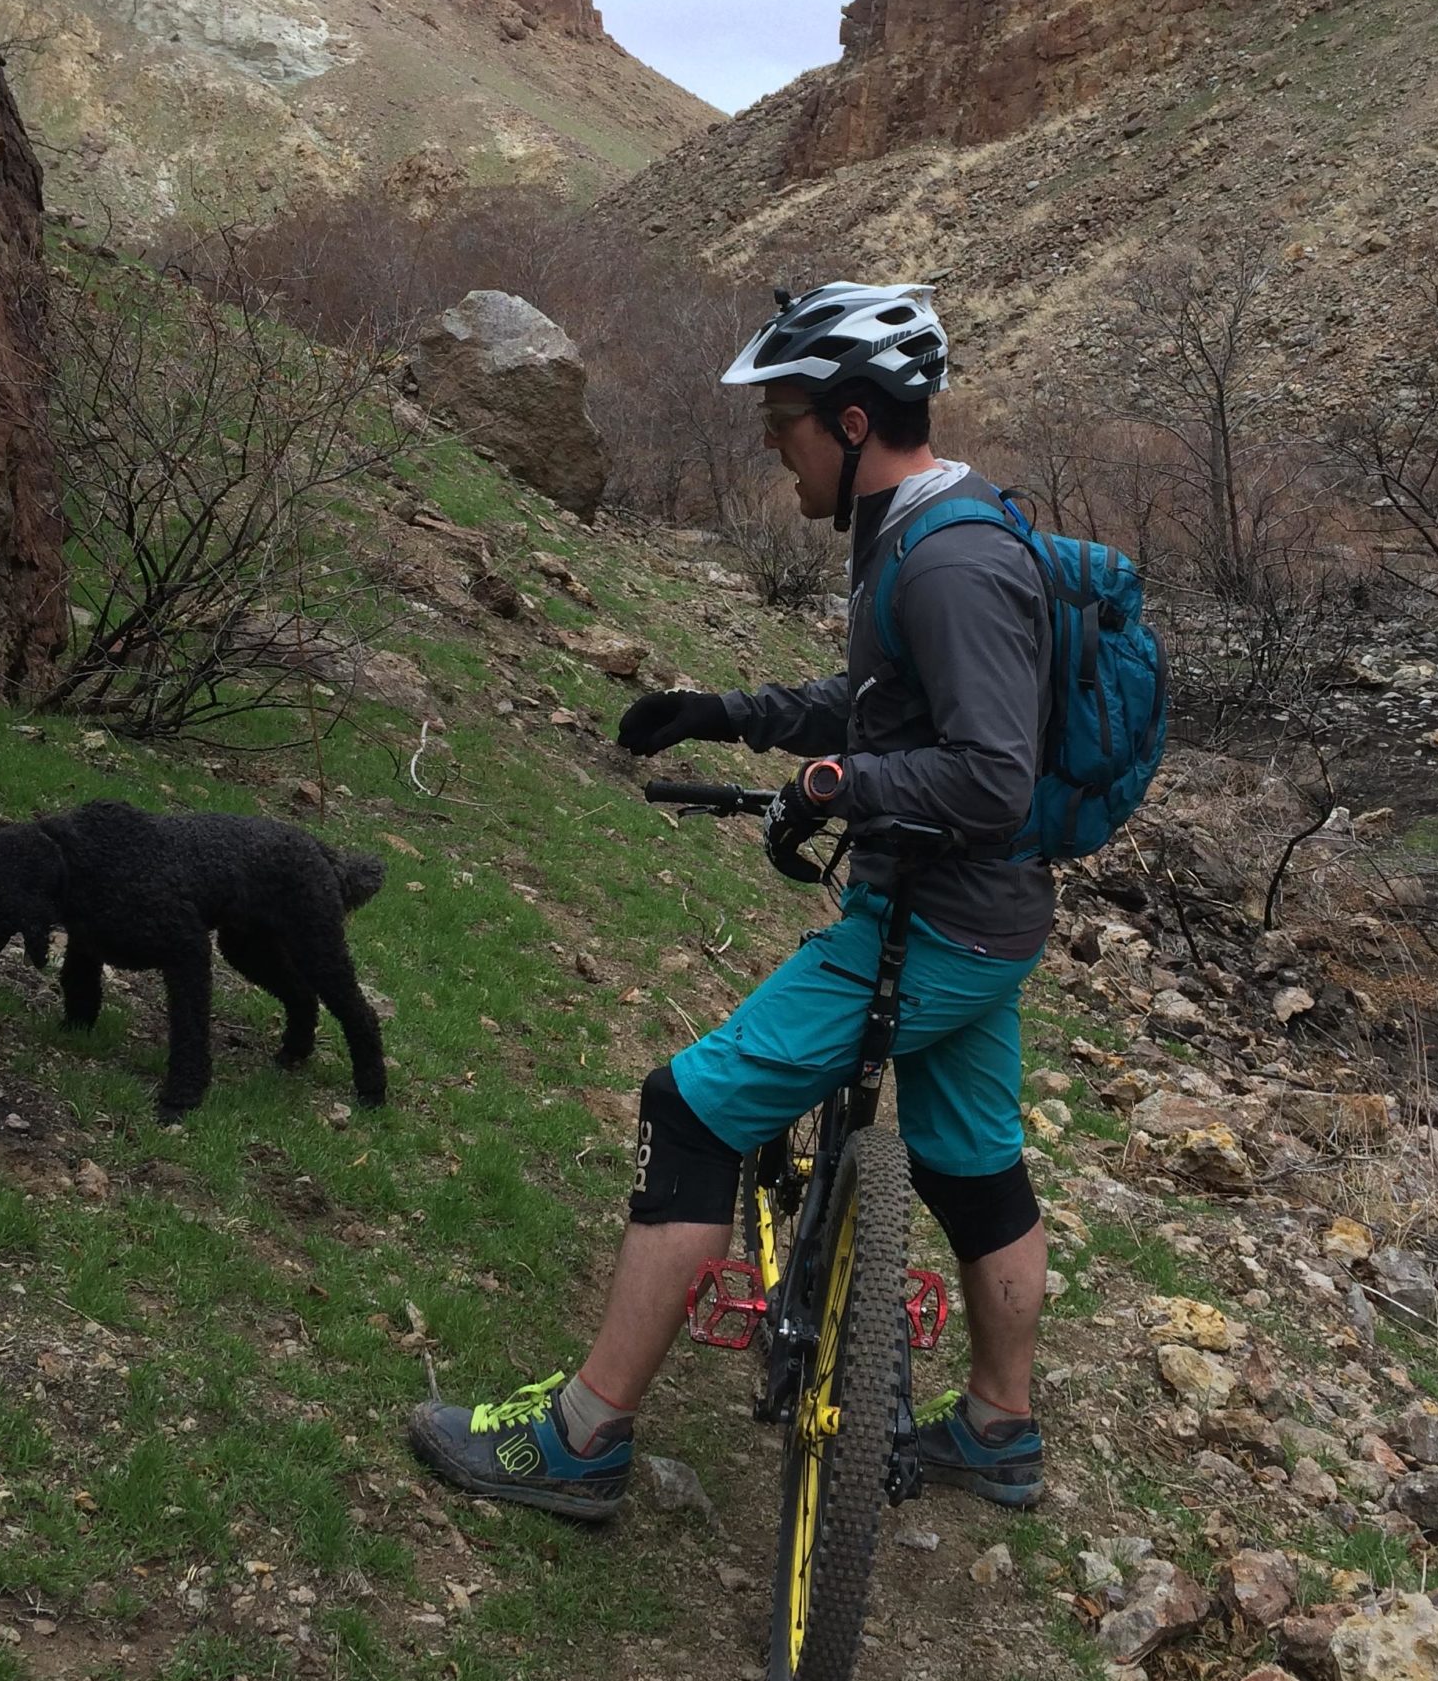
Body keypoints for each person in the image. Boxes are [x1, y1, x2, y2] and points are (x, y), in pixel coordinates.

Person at [408, 281, 1055, 1521]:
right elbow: (888, 709)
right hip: (989, 920)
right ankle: (998, 1427)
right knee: (975, 1165)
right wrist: (734, 715)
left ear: (855, 420)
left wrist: (830, 782)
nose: (772, 443)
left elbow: (986, 773)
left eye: (787, 419)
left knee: (689, 1109)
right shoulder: (923, 532)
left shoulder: (949, 563)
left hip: (930, 919)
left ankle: (583, 1437)